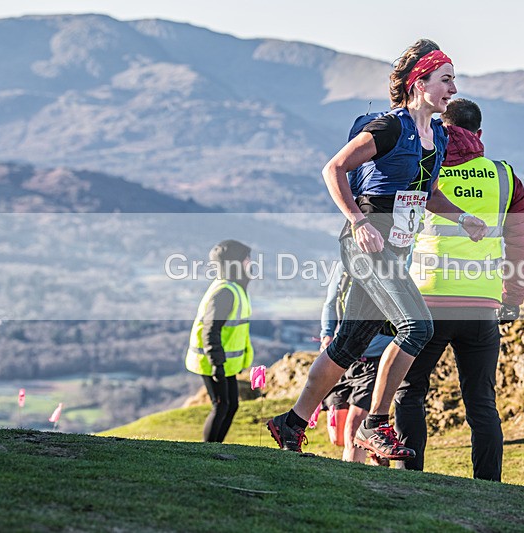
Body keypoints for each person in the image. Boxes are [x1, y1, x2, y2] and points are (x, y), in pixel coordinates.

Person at [267, 38, 488, 460]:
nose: (453, 89)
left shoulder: (437, 135)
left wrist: (462, 217)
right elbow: (334, 169)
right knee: (417, 326)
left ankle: (291, 423)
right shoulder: (390, 127)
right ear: (419, 83)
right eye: (446, 80)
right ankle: (374, 425)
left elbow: (430, 194)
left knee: (349, 343)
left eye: (454, 81)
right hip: (367, 242)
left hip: (396, 245)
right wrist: (359, 221)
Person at [394, 98, 524, 481]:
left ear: (440, 126)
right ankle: (488, 486)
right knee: (481, 402)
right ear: (480, 134)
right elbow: (521, 245)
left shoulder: (424, 169)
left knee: (410, 391)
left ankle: (409, 476)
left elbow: (397, 232)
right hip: (481, 306)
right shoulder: (505, 177)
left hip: (426, 301)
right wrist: (513, 299)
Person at [319, 264, 393, 465]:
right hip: (344, 358)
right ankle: (375, 444)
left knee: (353, 429)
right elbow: (331, 302)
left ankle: (353, 482)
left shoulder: (390, 262)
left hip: (375, 361)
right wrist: (326, 334)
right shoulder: (342, 266)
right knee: (337, 436)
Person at [185, 239, 254, 443]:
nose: (250, 262)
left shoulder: (235, 288)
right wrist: (217, 364)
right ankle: (207, 450)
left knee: (231, 405)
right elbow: (210, 331)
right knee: (221, 405)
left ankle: (216, 447)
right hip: (212, 361)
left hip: (225, 362)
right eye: (246, 258)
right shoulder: (225, 292)